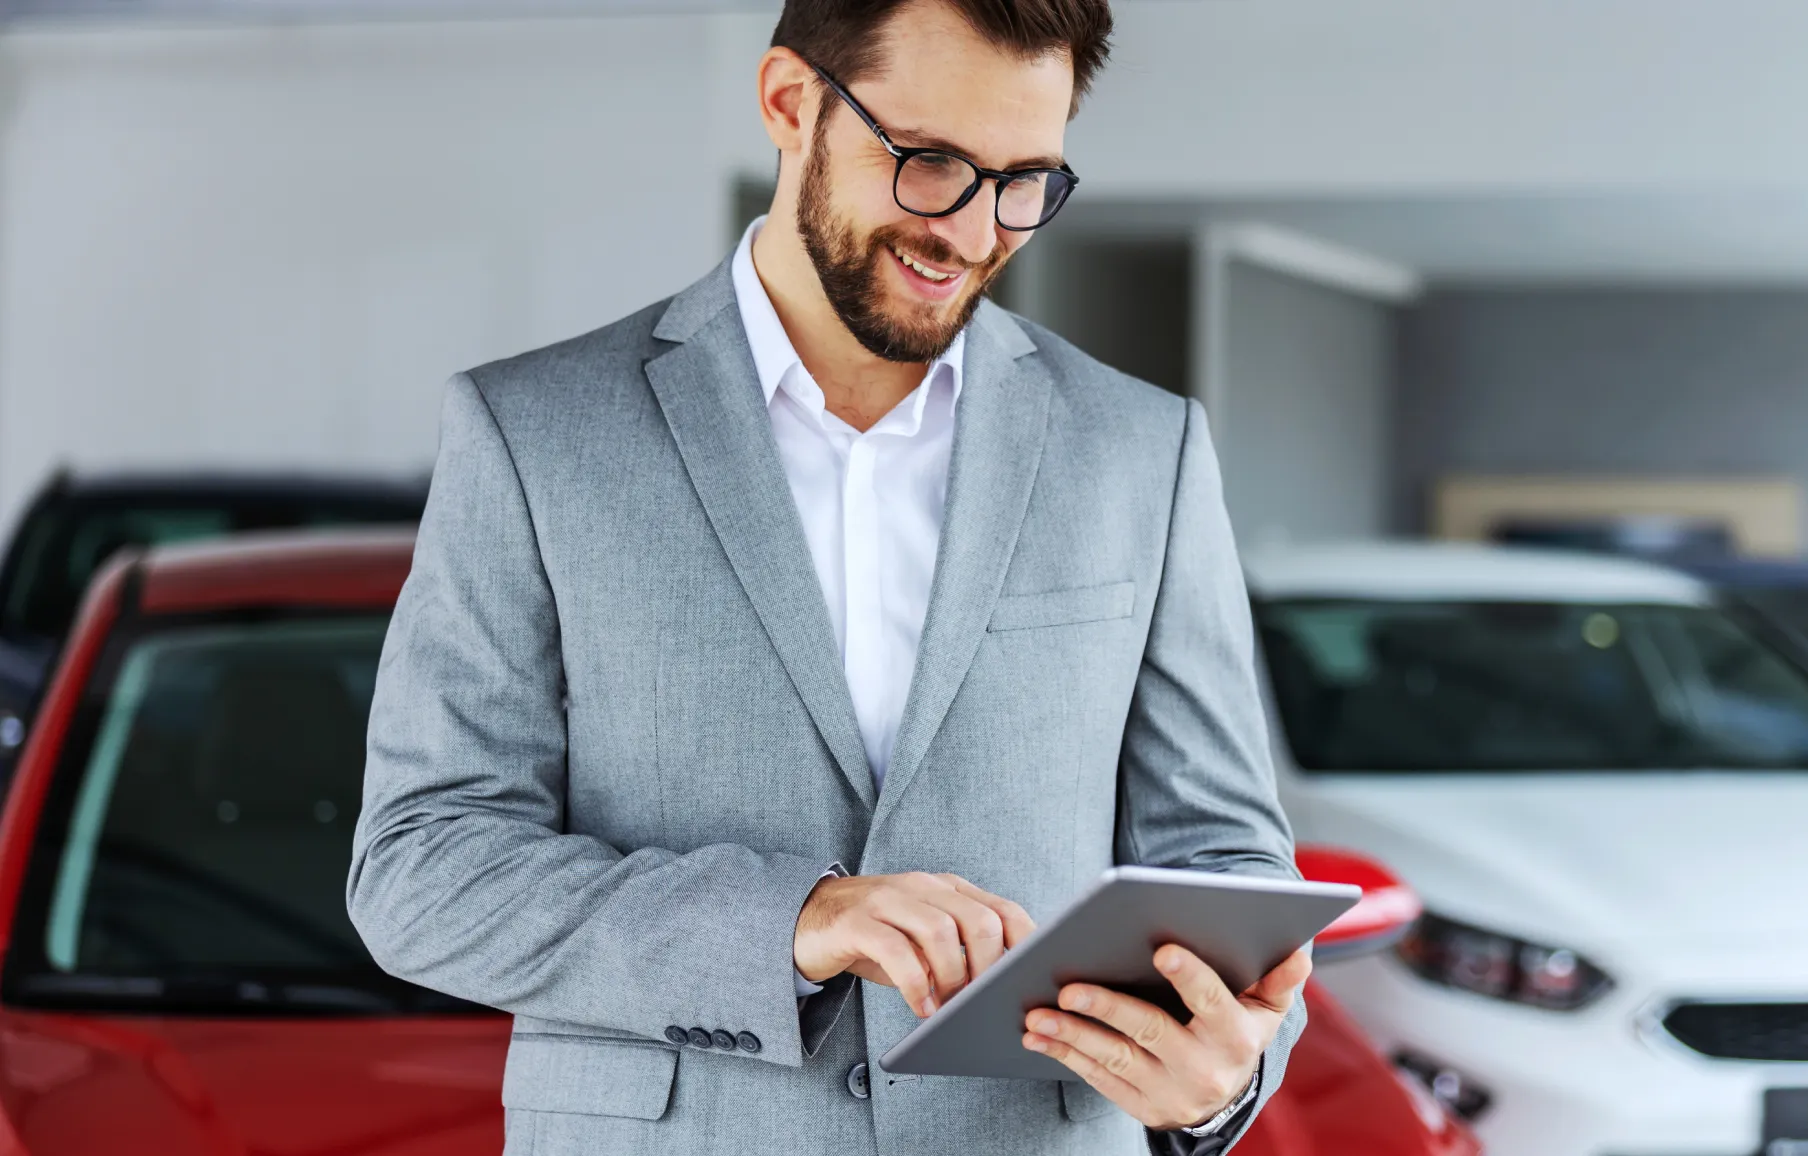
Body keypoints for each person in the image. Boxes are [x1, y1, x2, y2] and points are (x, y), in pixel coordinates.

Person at [345, 2, 1304, 1153]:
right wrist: (790, 919)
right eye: (932, 163)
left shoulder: (1142, 451)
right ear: (790, 103)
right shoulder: (533, 432)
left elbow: (1227, 864)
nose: (973, 230)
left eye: (1024, 181)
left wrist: (1216, 1082)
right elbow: (423, 868)